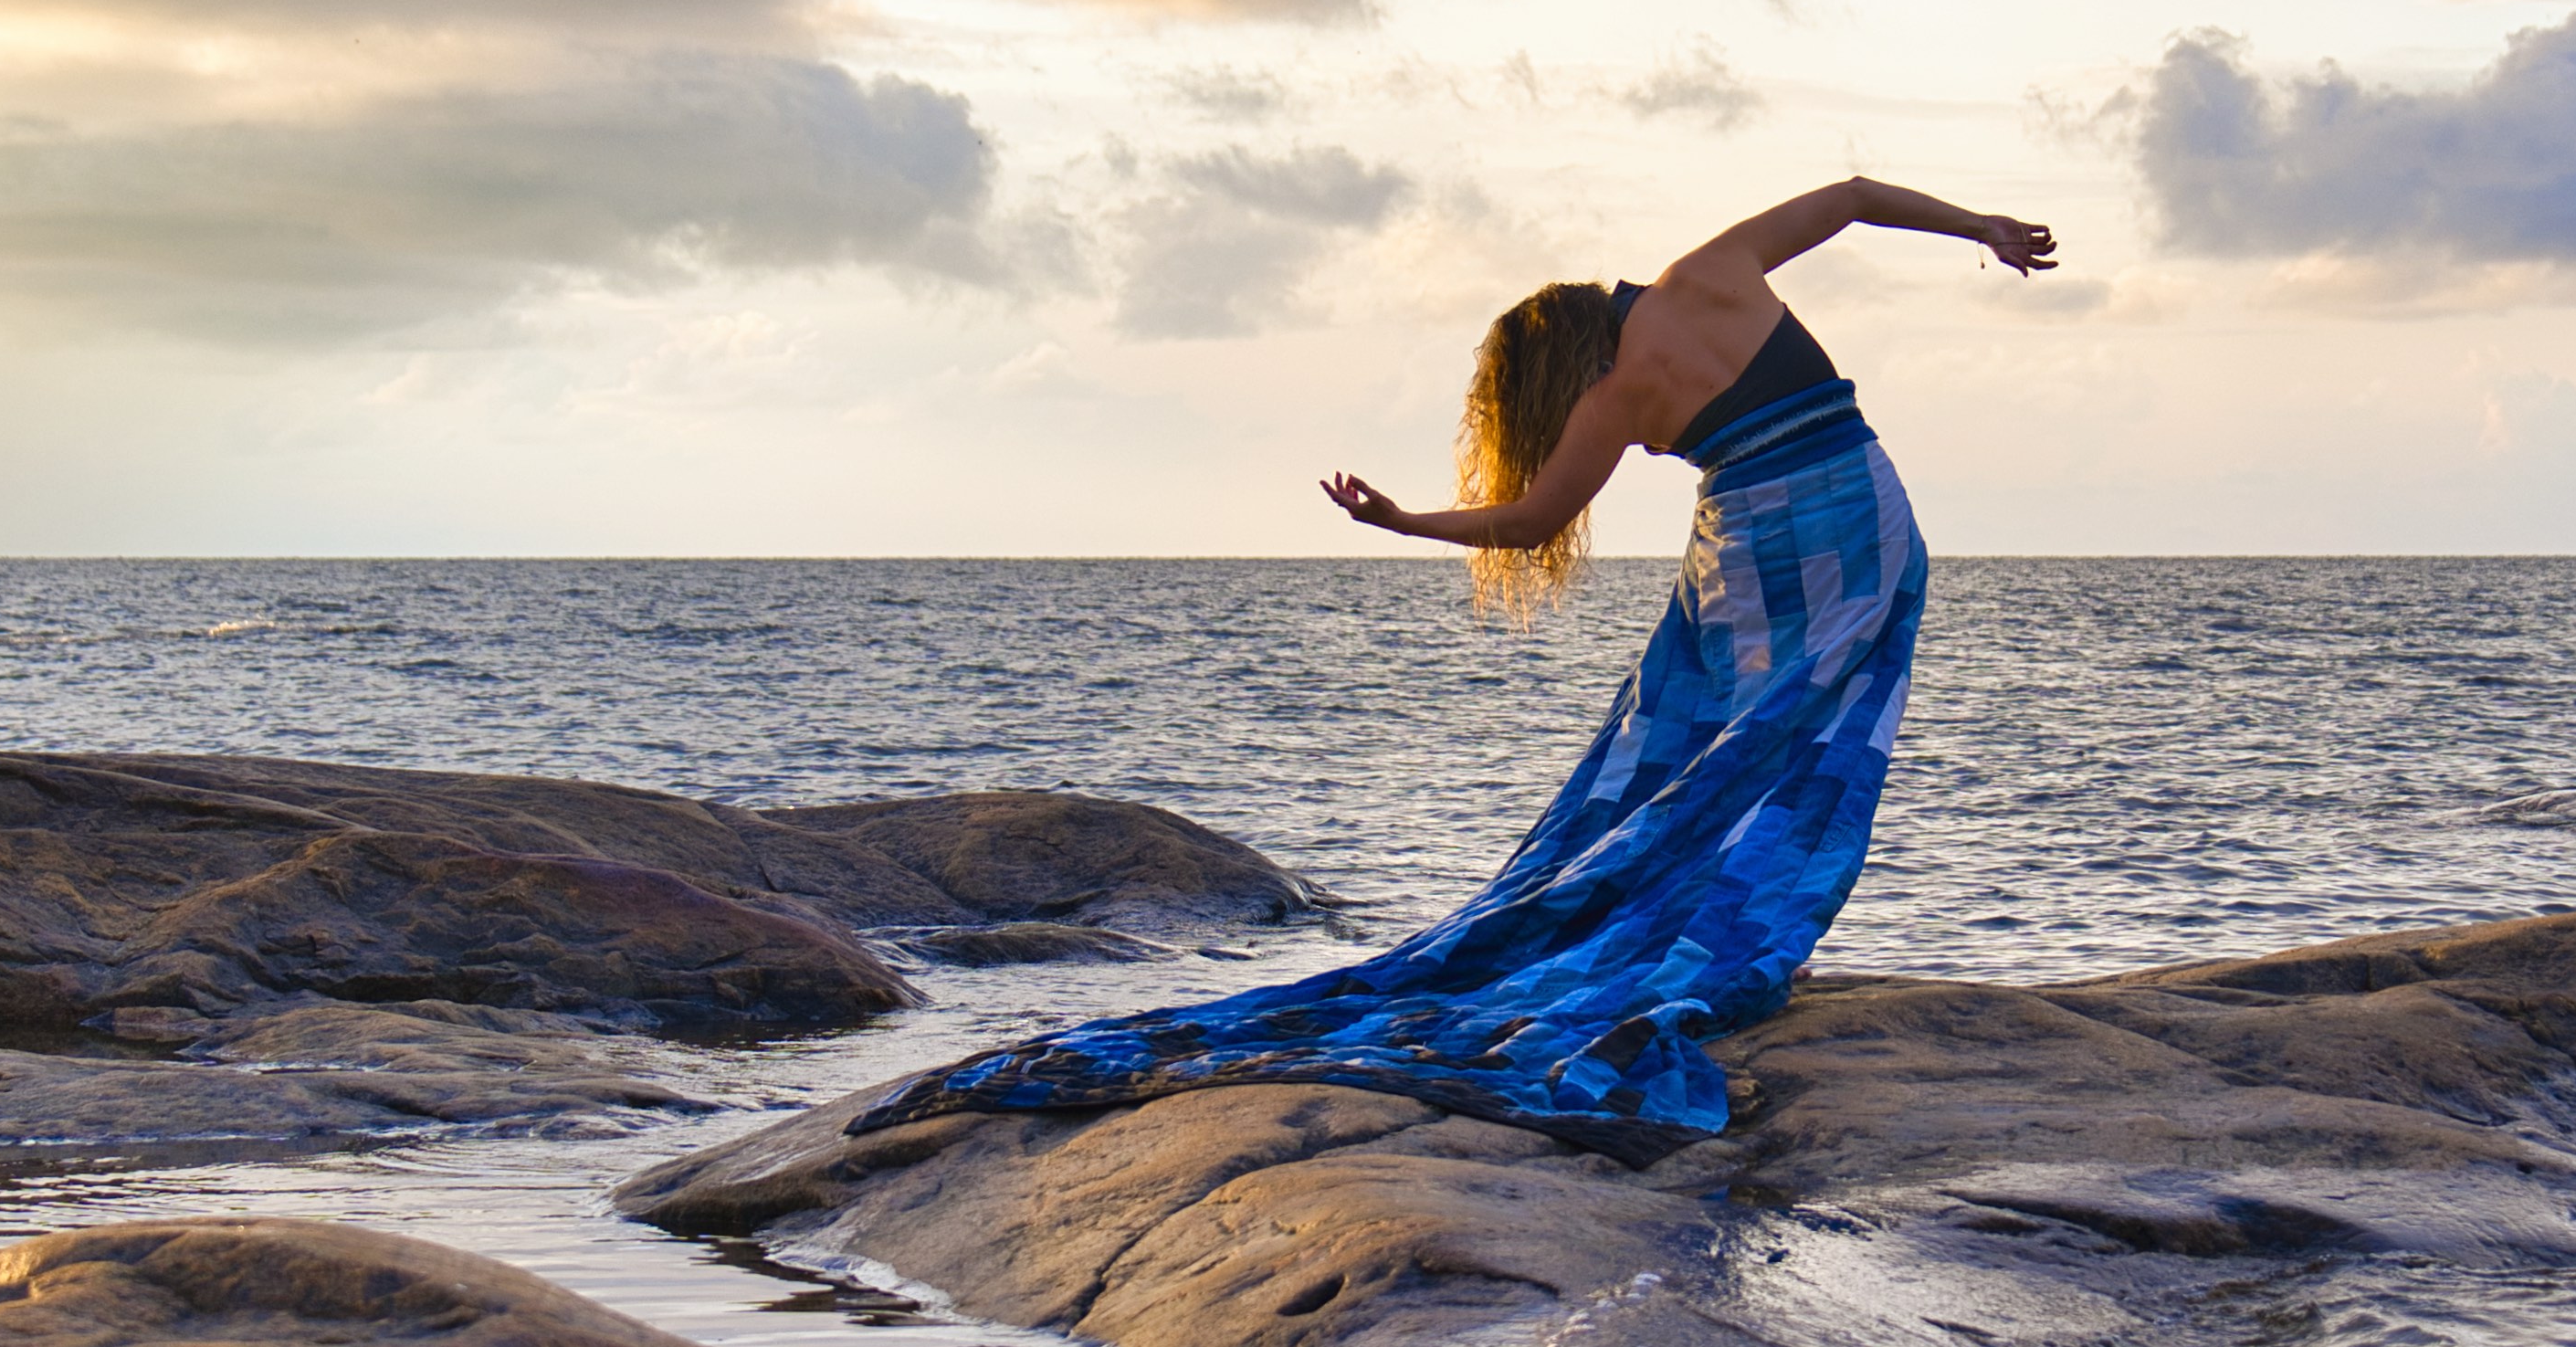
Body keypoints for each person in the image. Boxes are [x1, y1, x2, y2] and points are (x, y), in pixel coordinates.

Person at [857, 176, 2057, 1160]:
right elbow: (1847, 194)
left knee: (1690, 744)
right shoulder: (1711, 272)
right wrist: (1982, 230)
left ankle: (1676, 925)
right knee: (1789, 745)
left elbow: (1529, 520)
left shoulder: (1616, 388)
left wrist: (1403, 523)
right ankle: (1723, 925)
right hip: (1866, 510)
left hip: (1766, 535)